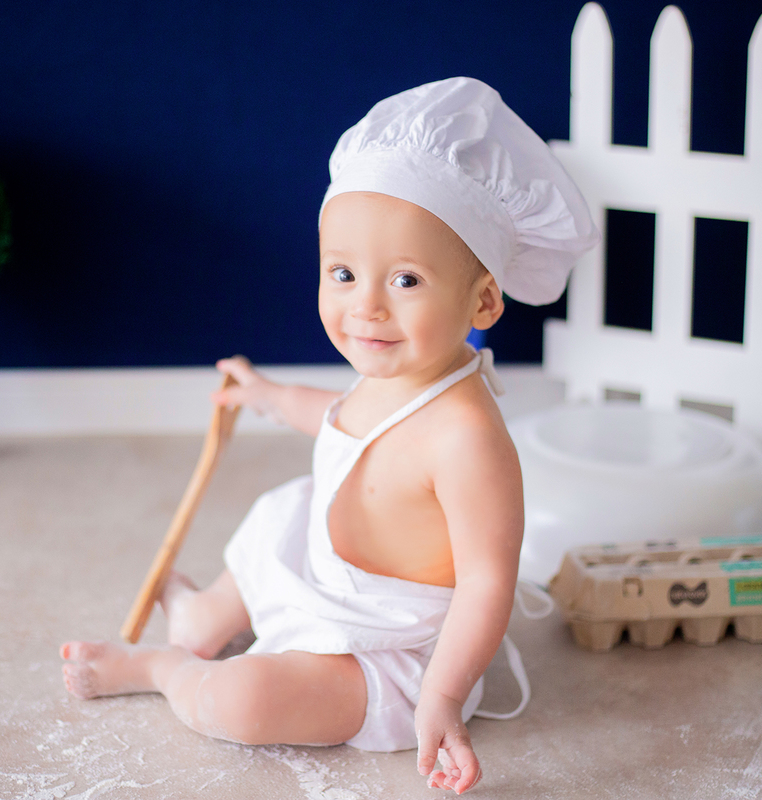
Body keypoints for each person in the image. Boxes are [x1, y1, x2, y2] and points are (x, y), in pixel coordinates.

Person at [61, 76, 597, 795]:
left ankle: (163, 668)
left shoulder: (466, 433)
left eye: (405, 280)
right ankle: (201, 616)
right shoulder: (394, 362)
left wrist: (440, 697)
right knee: (282, 517)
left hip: (389, 648)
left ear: (483, 299)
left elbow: (485, 583)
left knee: (243, 702)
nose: (366, 306)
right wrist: (269, 395)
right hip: (324, 572)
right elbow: (340, 419)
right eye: (342, 273)